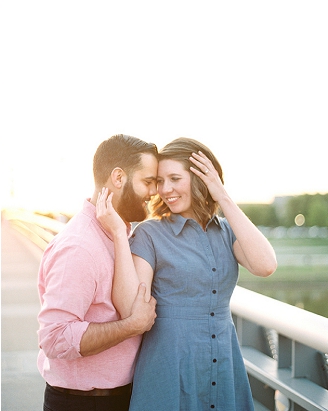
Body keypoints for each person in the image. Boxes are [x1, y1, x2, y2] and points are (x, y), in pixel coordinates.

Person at [96, 137, 277, 410]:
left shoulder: (228, 232)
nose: (165, 189)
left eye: (175, 178)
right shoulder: (150, 234)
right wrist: (120, 236)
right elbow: (129, 307)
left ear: (200, 178)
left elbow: (265, 266)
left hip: (223, 365)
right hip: (169, 369)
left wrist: (222, 195)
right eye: (159, 180)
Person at [37, 134, 159, 411]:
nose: (154, 192)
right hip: (83, 403)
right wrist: (131, 326)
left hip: (119, 397)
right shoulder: (79, 247)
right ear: (118, 178)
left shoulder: (120, 233)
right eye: (148, 181)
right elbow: (54, 338)